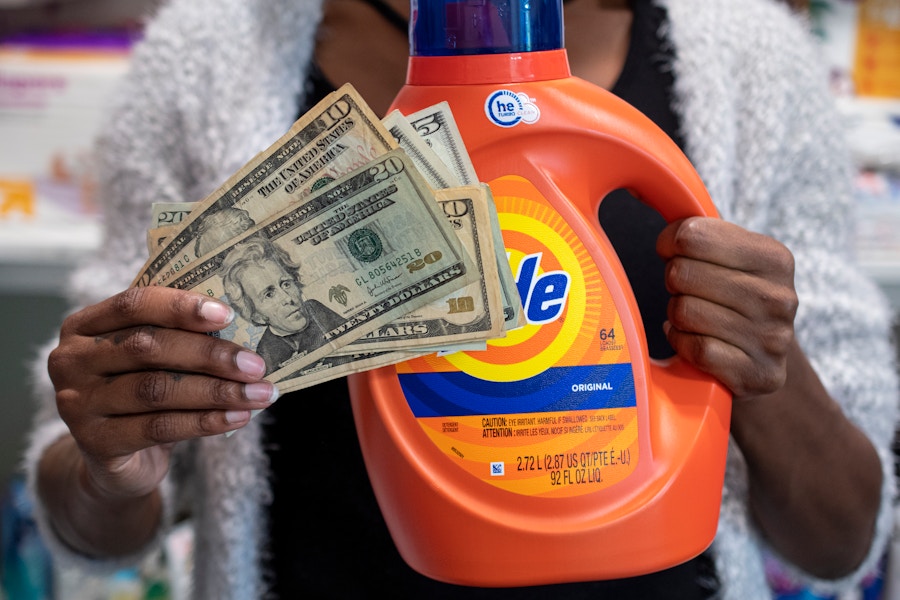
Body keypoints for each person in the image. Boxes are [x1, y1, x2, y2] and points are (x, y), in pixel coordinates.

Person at [23, 0, 899, 598]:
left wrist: (768, 370)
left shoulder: (749, 59)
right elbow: (98, 521)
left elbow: (840, 538)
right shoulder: (208, 57)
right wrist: (110, 456)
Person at [219, 237, 346, 374]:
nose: (287, 298)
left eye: (286, 284)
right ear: (257, 316)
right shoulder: (266, 356)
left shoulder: (316, 310)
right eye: (269, 294)